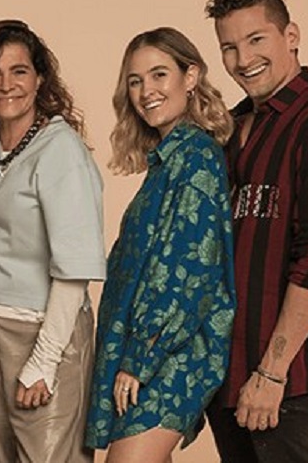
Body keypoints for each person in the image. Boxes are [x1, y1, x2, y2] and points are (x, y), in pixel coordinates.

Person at [203, 0, 308, 463]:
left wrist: (272, 372)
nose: (243, 59)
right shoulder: (229, 128)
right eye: (229, 47)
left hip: (283, 382)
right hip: (225, 376)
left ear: (291, 36)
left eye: (256, 39)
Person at [0, 19, 105, 462]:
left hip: (42, 331)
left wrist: (45, 360)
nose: (5, 85)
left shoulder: (60, 151)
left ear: (39, 79)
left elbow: (74, 272)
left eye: (19, 71)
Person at [85, 27, 236, 462]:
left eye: (158, 75)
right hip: (148, 351)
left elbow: (187, 272)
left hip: (169, 355)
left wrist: (139, 358)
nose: (146, 91)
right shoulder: (168, 160)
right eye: (135, 81)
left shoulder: (196, 157)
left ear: (190, 77)